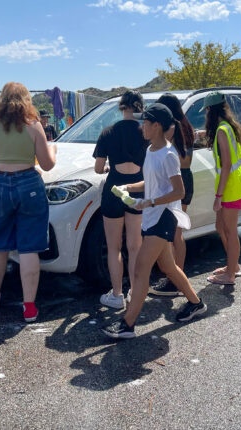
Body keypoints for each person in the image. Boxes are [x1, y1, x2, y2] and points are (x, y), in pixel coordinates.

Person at [101, 103, 207, 339]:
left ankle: (127, 324)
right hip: (153, 216)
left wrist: (150, 203)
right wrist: (128, 187)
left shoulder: (168, 155)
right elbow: (152, 183)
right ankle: (196, 303)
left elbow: (179, 192)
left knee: (140, 271)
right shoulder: (151, 150)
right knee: (168, 267)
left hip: (164, 217)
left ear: (156, 125)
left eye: (145, 123)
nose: (141, 128)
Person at [0, 82, 56, 323]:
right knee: (29, 246)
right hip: (29, 183)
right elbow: (47, 164)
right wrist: (53, 150)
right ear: (26, 101)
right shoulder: (34, 127)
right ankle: (29, 307)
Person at [93, 90, 147, 309]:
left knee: (114, 247)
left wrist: (107, 167)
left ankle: (117, 295)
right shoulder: (145, 132)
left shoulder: (108, 132)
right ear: (140, 107)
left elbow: (98, 168)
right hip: (137, 189)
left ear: (121, 107)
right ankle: (135, 292)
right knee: (135, 245)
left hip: (114, 188)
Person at [149, 93, 195, 296]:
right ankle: (175, 275)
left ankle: (176, 279)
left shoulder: (174, 127)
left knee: (175, 232)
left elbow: (183, 159)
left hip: (177, 181)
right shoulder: (185, 125)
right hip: (184, 179)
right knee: (176, 232)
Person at [202, 92, 241, 286]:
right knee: (220, 227)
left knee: (230, 231)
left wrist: (218, 196)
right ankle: (233, 266)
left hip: (231, 187)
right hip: (233, 184)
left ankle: (230, 274)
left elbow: (227, 165)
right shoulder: (227, 127)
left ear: (210, 110)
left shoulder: (222, 131)